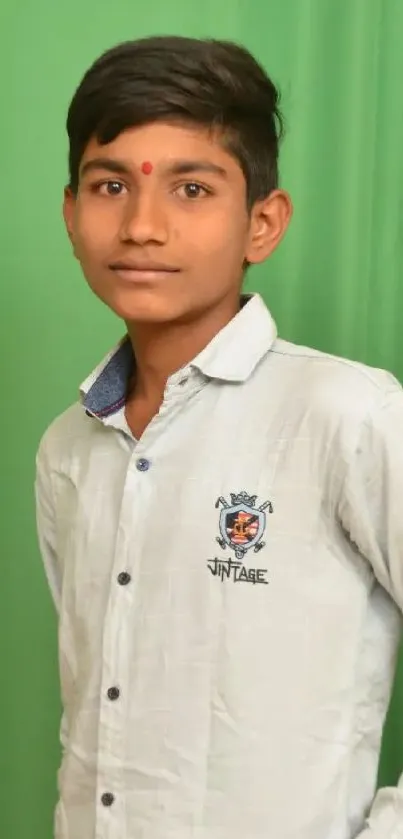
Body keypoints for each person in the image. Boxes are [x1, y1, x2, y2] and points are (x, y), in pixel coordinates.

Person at [34, 34, 403, 839]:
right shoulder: (68, 446)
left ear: (262, 223)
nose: (142, 225)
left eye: (192, 188)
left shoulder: (348, 415)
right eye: (108, 185)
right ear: (70, 215)